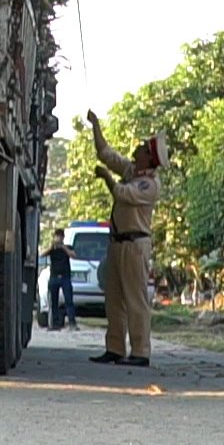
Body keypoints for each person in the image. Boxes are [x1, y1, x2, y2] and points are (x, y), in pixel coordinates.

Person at [86, 110, 164, 368]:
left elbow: (122, 194)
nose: (136, 150)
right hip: (119, 242)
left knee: (135, 299)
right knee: (114, 299)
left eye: (141, 148)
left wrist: (107, 178)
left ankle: (141, 351)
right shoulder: (132, 171)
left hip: (135, 245)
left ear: (149, 158)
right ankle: (115, 347)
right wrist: (95, 126)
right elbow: (106, 154)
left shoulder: (148, 185)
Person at [44, 229, 78, 330]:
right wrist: (51, 247)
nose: (58, 238)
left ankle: (72, 323)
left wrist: (63, 247)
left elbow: (73, 255)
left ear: (63, 237)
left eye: (60, 236)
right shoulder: (52, 249)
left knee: (69, 301)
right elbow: (42, 254)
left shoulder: (67, 247)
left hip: (65, 277)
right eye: (56, 236)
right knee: (53, 302)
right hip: (54, 277)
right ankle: (54, 323)